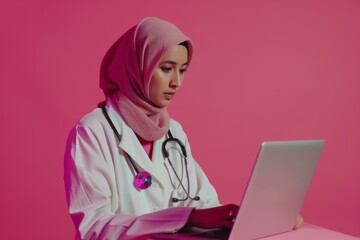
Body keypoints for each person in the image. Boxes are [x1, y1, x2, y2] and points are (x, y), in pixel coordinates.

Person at [64, 17, 239, 240]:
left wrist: (239, 219)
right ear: (139, 67)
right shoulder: (92, 132)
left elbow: (204, 203)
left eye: (183, 70)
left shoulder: (173, 132)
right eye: (167, 68)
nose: (176, 81)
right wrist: (185, 218)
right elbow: (93, 227)